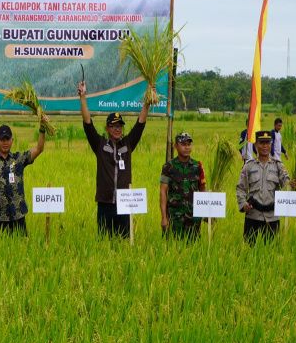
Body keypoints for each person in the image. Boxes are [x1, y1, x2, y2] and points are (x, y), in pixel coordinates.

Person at [78, 80, 149, 238]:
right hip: (105, 203)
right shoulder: (100, 145)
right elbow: (87, 124)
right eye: (114, 126)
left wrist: (148, 102)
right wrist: (83, 97)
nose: (117, 129)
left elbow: (140, 124)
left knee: (123, 243)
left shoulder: (128, 144)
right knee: (104, 242)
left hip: (124, 204)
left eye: (120, 126)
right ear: (107, 128)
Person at [0, 122, 46, 237]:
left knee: (22, 248)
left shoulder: (19, 159)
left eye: (7, 139)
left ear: (12, 140)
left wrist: (42, 129)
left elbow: (39, 149)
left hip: (18, 215)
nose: (5, 142)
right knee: (2, 249)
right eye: (2, 139)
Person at [236, 130, 294, 245]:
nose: (265, 146)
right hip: (253, 217)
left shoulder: (278, 166)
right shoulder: (249, 166)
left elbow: (287, 186)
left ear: (271, 144)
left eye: (268, 143)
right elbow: (240, 188)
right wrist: (243, 204)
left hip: (272, 218)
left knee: (271, 254)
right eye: (262, 143)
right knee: (249, 253)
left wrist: (292, 185)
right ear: (256, 144)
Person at [160, 132, 207, 241]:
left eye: (189, 144)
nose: (187, 147)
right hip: (175, 216)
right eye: (183, 144)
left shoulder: (198, 166)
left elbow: (202, 190)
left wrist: (206, 212)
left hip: (194, 216)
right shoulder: (168, 167)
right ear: (176, 146)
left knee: (194, 248)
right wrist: (164, 217)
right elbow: (163, 192)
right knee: (173, 248)